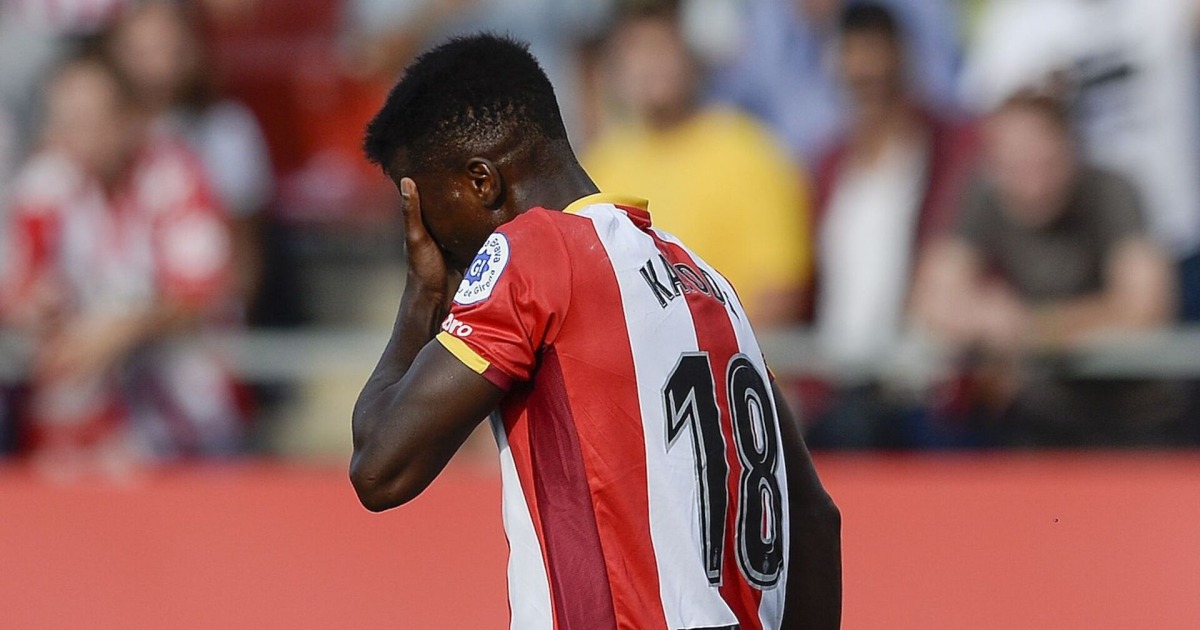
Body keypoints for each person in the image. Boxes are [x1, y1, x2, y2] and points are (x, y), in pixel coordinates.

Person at [349, 34, 841, 628]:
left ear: (482, 182)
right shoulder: (707, 281)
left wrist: (422, 292)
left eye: (421, 206)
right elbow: (815, 517)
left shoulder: (534, 251)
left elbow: (379, 468)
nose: (425, 233)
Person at [0, 54, 241, 471]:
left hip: (183, 424)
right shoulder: (44, 185)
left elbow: (203, 291)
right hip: (70, 424)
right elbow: (15, 284)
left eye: (91, 120)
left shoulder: (172, 175)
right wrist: (35, 305)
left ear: (128, 118)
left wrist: (120, 330)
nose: (79, 136)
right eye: (67, 121)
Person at [913, 93, 1184, 446]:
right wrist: (985, 318)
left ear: (1071, 149)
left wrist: (1037, 328)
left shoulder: (1113, 191)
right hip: (1043, 417)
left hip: (1134, 415)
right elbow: (930, 300)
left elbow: (1146, 309)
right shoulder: (982, 193)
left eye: (1044, 163)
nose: (1032, 185)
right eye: (1014, 166)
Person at [804, 3, 977, 447]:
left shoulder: (953, 153)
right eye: (858, 80)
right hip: (840, 391)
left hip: (923, 393)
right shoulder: (829, 168)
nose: (870, 91)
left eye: (880, 78)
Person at [584, 2, 811, 327]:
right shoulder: (599, 164)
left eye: (661, 48)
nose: (650, 64)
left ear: (691, 56)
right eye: (636, 51)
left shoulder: (750, 151)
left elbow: (781, 288)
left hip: (730, 352)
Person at [108, 1, 274, 320]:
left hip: (199, 313)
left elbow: (243, 252)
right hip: (116, 302)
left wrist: (221, 315)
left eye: (169, 43)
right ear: (119, 51)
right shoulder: (103, 131)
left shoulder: (227, 129)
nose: (160, 59)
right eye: (146, 48)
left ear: (193, 47)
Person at [712, 0, 963, 164]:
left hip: (904, 171)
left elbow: (942, 106)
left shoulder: (910, 14)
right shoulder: (765, 22)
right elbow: (728, 110)